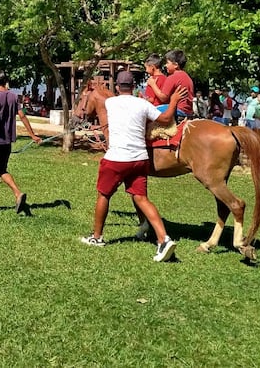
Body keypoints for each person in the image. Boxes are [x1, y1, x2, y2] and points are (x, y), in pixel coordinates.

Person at [81, 70, 186, 262]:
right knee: (142, 198)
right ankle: (164, 239)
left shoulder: (110, 102)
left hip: (116, 158)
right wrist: (174, 101)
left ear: (118, 87)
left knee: (104, 195)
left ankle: (97, 237)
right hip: (139, 159)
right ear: (134, 86)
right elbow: (164, 119)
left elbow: (101, 101)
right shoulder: (143, 104)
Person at [0, 69, 42, 214]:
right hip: (6, 143)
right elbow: (22, 116)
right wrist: (33, 135)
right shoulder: (13, 97)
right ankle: (18, 193)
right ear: (6, 81)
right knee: (1, 169)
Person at [146, 49, 194, 121]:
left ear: (175, 65)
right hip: (187, 112)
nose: (165, 65)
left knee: (148, 112)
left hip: (178, 110)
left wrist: (153, 84)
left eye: (168, 63)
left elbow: (163, 97)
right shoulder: (187, 77)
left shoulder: (173, 77)